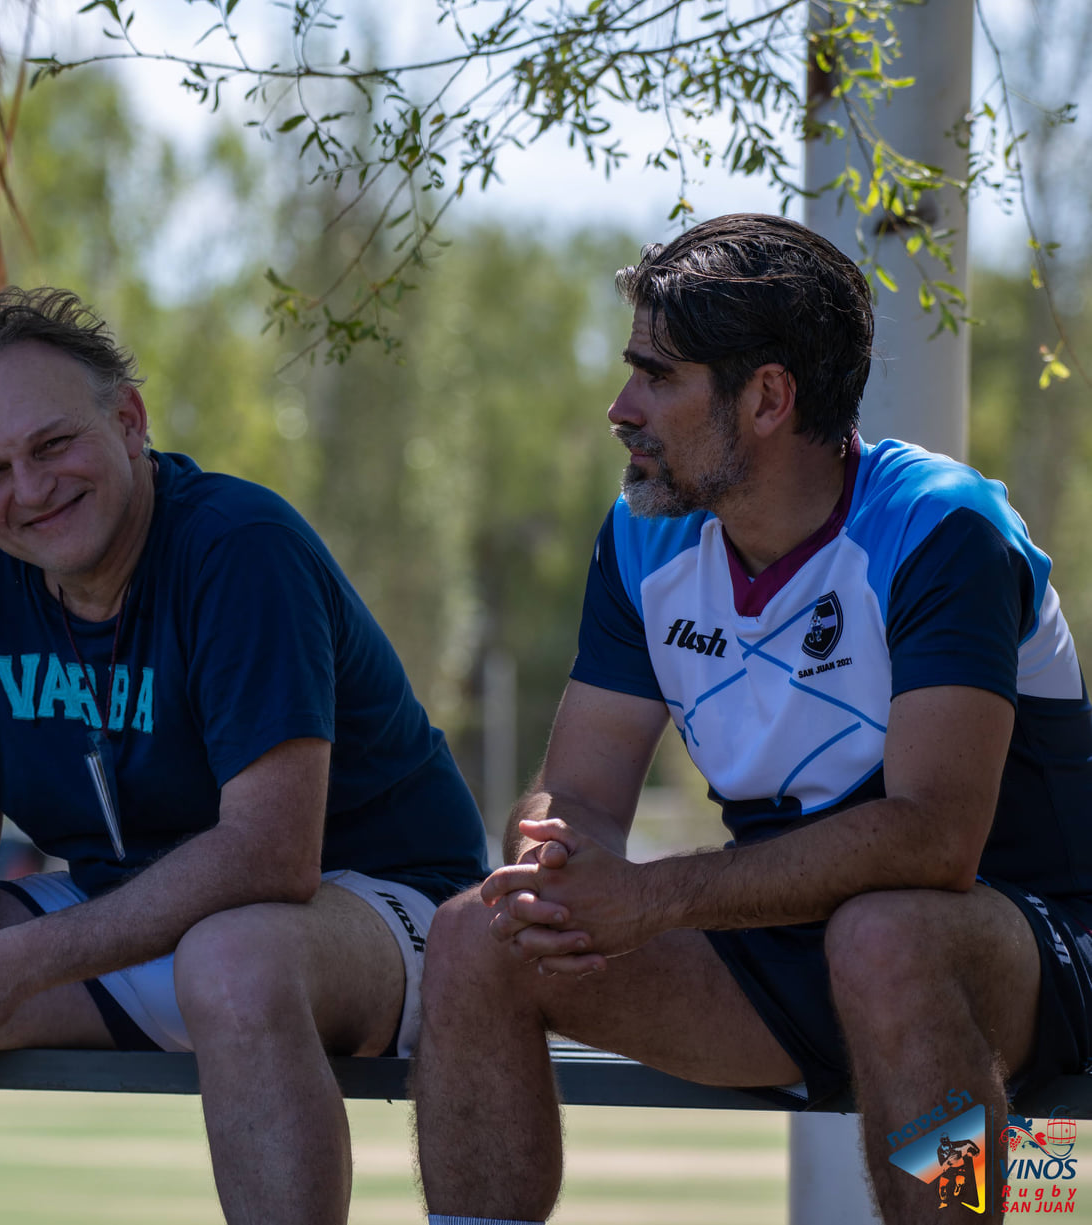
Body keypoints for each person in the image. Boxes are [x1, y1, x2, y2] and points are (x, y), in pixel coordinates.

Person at [412, 212, 1092, 1225]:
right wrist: (557, 865)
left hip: (1017, 953)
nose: (619, 406)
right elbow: (581, 792)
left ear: (767, 397)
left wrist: (653, 896)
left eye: (657, 374)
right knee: (477, 936)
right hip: (790, 953)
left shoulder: (941, 527)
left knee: (886, 937)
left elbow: (935, 840)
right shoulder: (644, 535)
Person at [0, 286, 486, 1225]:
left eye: (52, 444)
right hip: (138, 913)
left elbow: (270, 853)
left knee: (230, 960)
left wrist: (18, 961)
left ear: (128, 421)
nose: (29, 488)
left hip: (370, 906)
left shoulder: (237, 546)